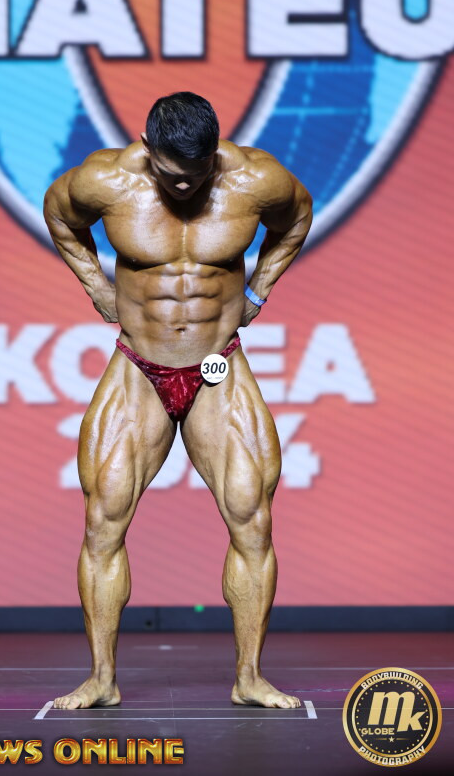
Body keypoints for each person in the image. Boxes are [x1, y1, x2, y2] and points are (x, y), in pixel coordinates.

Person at [43, 92, 313, 710]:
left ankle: (249, 677)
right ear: (147, 148)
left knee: (251, 515)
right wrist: (96, 285)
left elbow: (297, 218)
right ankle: (102, 678)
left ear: (215, 152)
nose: (186, 185)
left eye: (197, 172)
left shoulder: (256, 180)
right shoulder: (106, 180)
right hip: (139, 364)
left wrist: (259, 290)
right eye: (172, 174)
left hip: (218, 365)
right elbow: (59, 217)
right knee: (104, 518)